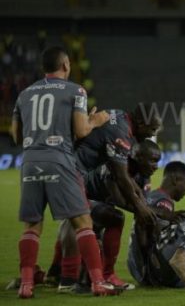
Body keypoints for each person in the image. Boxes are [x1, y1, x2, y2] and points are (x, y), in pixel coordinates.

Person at [10, 46, 119, 298]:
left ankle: (26, 285)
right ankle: (97, 282)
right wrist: (96, 120)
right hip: (59, 160)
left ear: (43, 69)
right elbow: (81, 131)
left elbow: (15, 135)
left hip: (29, 162)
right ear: (67, 65)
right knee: (83, 222)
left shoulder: (24, 94)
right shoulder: (76, 90)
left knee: (32, 227)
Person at [49, 105, 162, 291]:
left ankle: (56, 273)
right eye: (152, 129)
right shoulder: (121, 133)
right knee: (109, 219)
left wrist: (140, 199)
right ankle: (86, 279)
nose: (152, 135)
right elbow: (121, 176)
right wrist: (140, 207)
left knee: (76, 221)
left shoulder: (118, 116)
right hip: (71, 175)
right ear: (141, 123)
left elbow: (122, 173)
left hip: (63, 170)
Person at [128, 160, 185, 285]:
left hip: (135, 265)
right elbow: (151, 236)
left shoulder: (153, 195)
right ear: (174, 179)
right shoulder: (164, 203)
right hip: (147, 271)